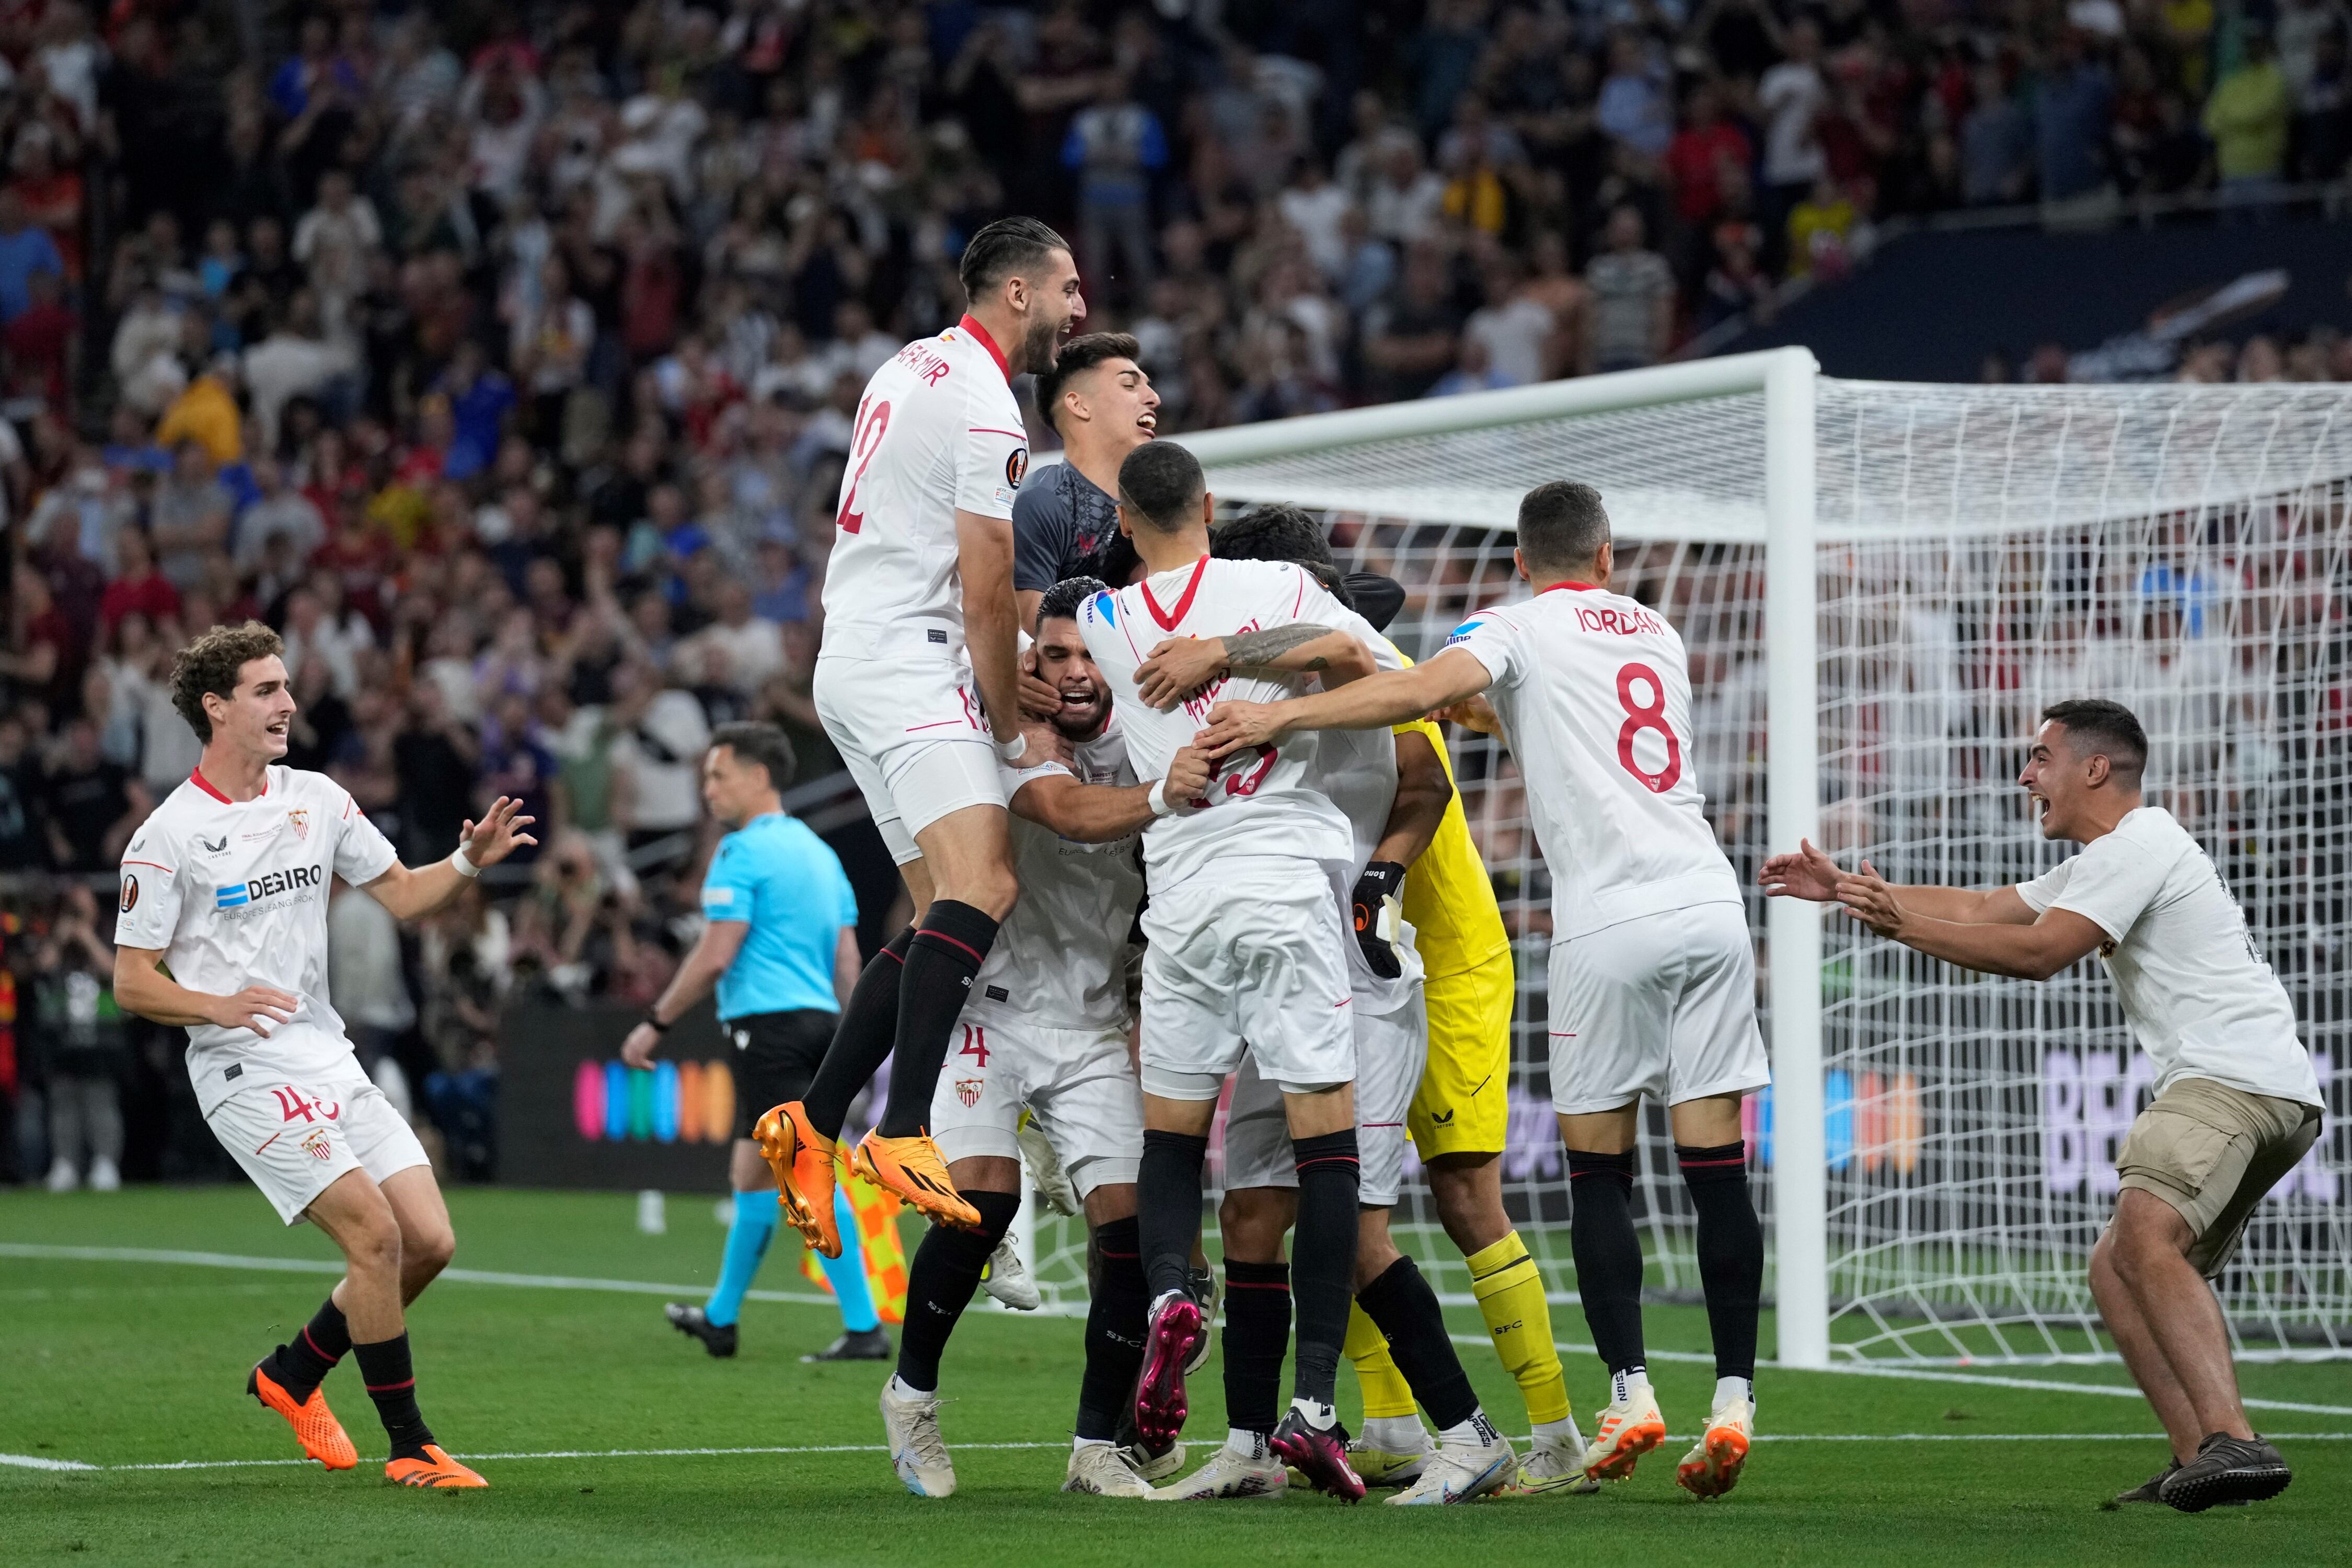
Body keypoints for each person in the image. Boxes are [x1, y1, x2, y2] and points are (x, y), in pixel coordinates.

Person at [1195, 480, 1770, 1498]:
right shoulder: (1657, 632)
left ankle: (1621, 1394)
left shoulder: (1509, 626)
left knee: (1594, 1178)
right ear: (1605, 559)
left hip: (1599, 923)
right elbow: (1563, 729)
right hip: (1713, 905)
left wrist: (1266, 710)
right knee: (1714, 1167)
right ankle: (1733, 1399)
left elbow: (1416, 693)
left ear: (1519, 564)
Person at [1761, 700, 2321, 1513]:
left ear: (2095, 769)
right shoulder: (2110, 856)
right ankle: (2201, 1453)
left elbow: (2039, 953)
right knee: (2115, 1266)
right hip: (2271, 1089)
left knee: (2145, 1232)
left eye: (2040, 758)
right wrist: (1844, 887)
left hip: (2228, 1080)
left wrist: (1901, 928)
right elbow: (1991, 910)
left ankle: (2236, 1436)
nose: (2026, 776)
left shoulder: (2140, 843)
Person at [112, 620, 536, 1489]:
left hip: (327, 1056)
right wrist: (215, 1005)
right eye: (267, 691)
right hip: (242, 1071)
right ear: (216, 707)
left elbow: (408, 896)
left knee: (431, 1240)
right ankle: (411, 1445)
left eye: (287, 688)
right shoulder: (169, 836)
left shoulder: (318, 798)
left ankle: (292, 1374)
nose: (289, 704)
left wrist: (466, 858)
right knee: (375, 1239)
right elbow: (131, 982)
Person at [1154, 508, 1519, 1506]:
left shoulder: (1360, 673)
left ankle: (1470, 1433)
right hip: (1279, 970)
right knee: (1252, 1213)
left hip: (1358, 976)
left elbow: (1423, 787)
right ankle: (1247, 1447)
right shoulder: (1233, 694)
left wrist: (1378, 884)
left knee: (1353, 1230)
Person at [1077, 441, 1389, 1501]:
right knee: (1326, 1149)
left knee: (1171, 1140)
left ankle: (1173, 1293)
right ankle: (1310, 1404)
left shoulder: (1107, 625)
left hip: (1182, 897)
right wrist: (1239, 648)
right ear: (1211, 505)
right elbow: (1355, 660)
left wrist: (1207, 651)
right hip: (1284, 881)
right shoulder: (1281, 585)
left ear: (1125, 525)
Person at [765, 217, 1087, 1244]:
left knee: (935, 911)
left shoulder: (908, 366)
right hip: (912, 661)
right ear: (1020, 293)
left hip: (854, 657)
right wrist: (1006, 718)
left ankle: (810, 1128)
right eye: (1069, 289)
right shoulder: (992, 410)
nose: (1083, 308)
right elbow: (989, 587)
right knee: (988, 884)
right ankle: (900, 1128)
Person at [879, 577, 1212, 1501]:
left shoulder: (1150, 734)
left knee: (1129, 1236)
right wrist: (1168, 794)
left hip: (1094, 1022)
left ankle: (1094, 1448)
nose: (1069, 673)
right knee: (980, 1207)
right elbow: (1068, 813)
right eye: (1050, 655)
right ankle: (911, 1397)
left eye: (1084, 656)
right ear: (1025, 666)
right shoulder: (1008, 739)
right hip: (990, 1012)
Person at [619, 722, 883, 1364]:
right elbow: (849, 961)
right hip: (821, 1026)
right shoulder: (822, 855)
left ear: (759, 777)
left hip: (768, 1032)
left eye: (719, 775)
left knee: (806, 1175)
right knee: (751, 1174)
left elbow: (716, 954)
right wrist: (858, 1040)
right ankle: (721, 1318)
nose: (708, 789)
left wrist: (655, 1021)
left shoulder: (740, 853)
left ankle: (865, 1327)